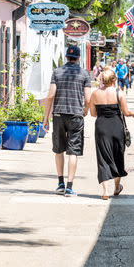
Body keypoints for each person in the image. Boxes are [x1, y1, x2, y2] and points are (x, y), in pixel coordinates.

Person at [43, 45, 92, 197]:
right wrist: (86, 109)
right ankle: (70, 187)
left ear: (66, 57)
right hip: (76, 115)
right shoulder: (84, 73)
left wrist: (45, 118)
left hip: (58, 114)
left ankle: (60, 183)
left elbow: (50, 95)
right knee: (73, 151)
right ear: (78, 58)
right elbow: (88, 97)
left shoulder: (57, 72)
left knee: (58, 150)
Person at [90, 68, 134, 199]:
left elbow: (93, 114)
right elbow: (125, 112)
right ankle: (117, 187)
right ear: (114, 80)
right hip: (116, 127)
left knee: (103, 157)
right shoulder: (119, 92)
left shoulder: (95, 93)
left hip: (101, 126)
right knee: (118, 155)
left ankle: (105, 191)